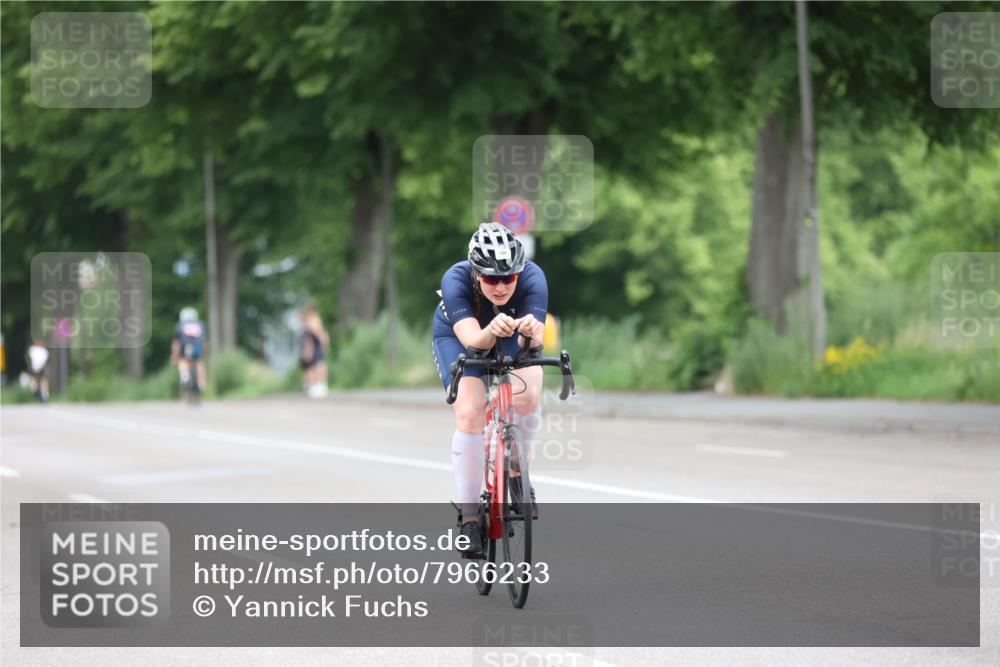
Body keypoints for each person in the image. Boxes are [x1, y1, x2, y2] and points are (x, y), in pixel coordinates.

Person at [431, 222, 547, 557]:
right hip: (460, 335)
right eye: (491, 279)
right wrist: (490, 330)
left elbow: (533, 341)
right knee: (470, 412)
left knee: (529, 395)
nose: (500, 286)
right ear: (476, 274)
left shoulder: (533, 277)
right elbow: (472, 342)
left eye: (508, 278)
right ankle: (469, 517)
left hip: (510, 332)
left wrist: (530, 333)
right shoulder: (455, 278)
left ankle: (518, 469)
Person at [170, 307, 207, 394]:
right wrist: (204, 353)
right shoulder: (200, 324)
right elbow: (204, 342)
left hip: (185, 346)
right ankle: (201, 382)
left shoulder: (180, 325)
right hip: (197, 346)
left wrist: (175, 355)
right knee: (199, 362)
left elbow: (176, 342)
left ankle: (185, 376)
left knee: (182, 360)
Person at [299, 304, 330, 398]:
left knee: (318, 365)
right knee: (310, 367)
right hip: (312, 347)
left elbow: (319, 333)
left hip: (316, 346)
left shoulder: (313, 319)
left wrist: (323, 343)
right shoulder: (307, 321)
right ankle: (313, 386)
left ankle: (321, 385)